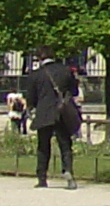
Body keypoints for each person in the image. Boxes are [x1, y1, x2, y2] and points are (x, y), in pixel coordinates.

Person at [30, 50, 82, 190]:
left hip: (44, 113)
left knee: (43, 147)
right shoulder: (65, 71)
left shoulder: (36, 74)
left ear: (40, 58)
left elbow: (31, 97)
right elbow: (74, 91)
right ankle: (68, 171)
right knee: (65, 145)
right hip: (61, 112)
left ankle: (42, 178)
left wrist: (33, 107)